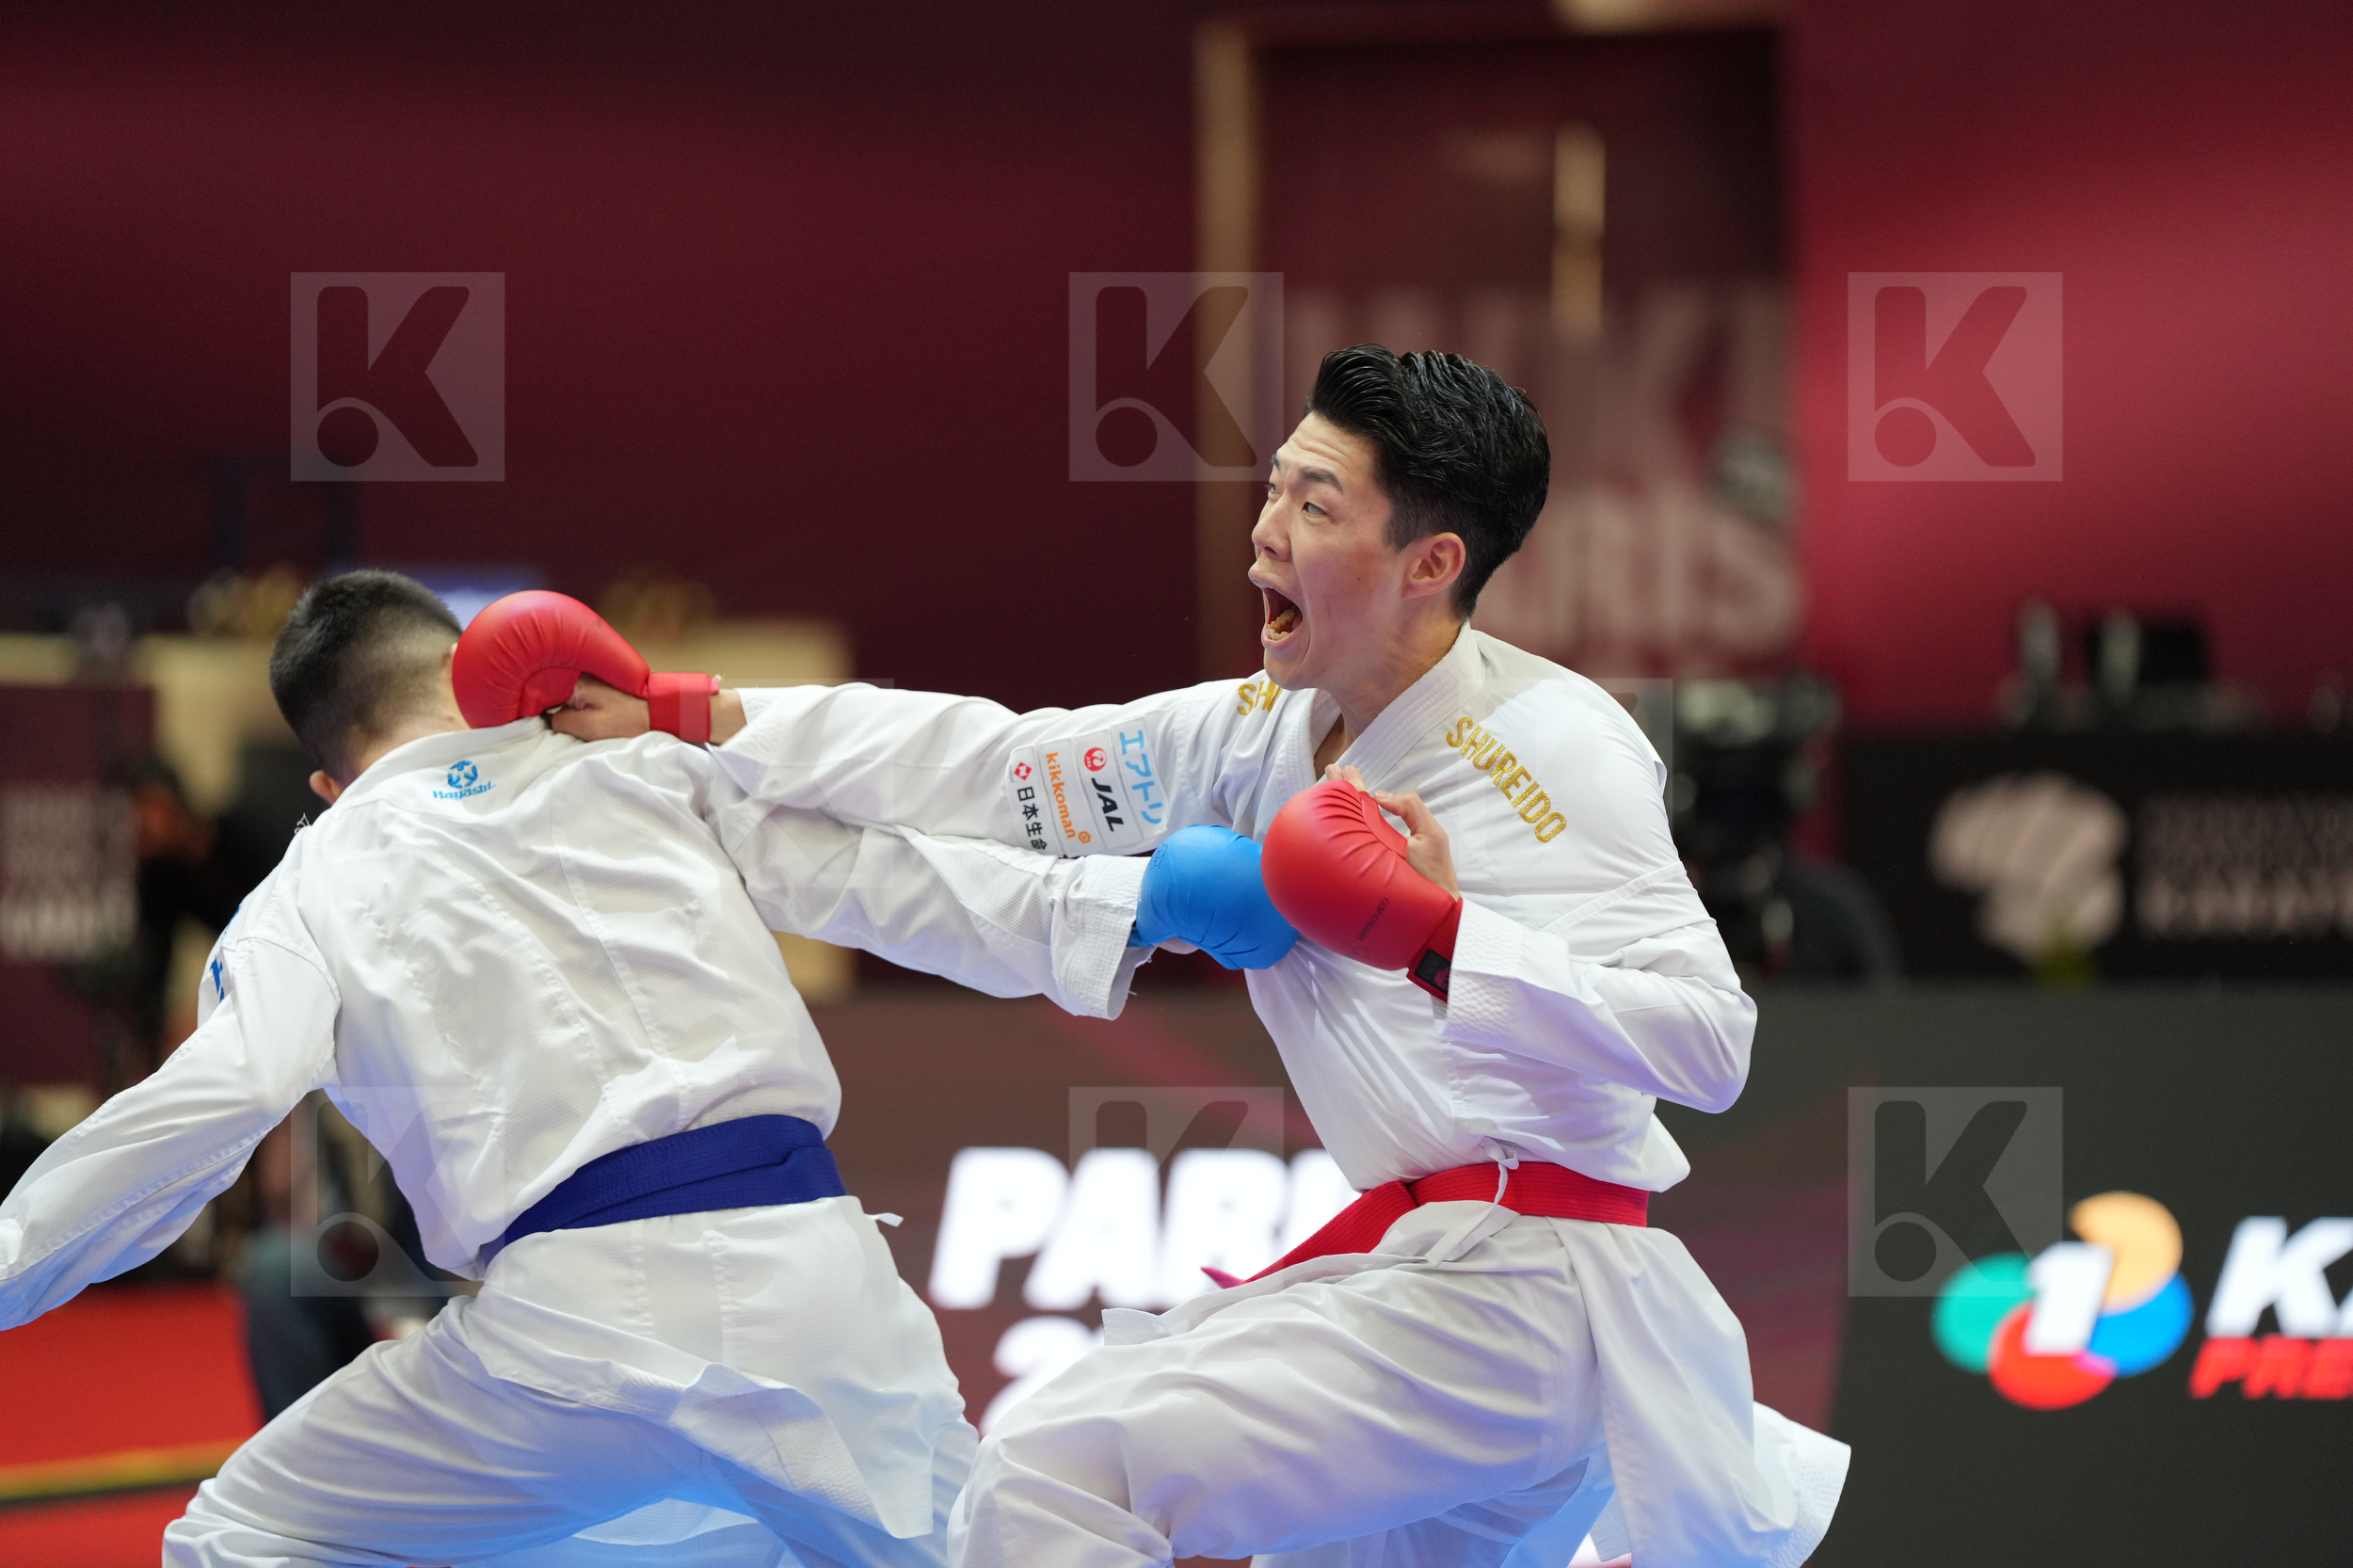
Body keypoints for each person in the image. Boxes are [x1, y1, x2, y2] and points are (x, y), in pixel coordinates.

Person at [558, 346, 1850, 1568]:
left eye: (1314, 504)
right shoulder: (1255, 731)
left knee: (1061, 1469)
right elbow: (1000, 769)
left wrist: (1446, 941)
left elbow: (1711, 1044)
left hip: (1531, 1288)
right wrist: (697, 714)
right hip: (1433, 1279)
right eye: (1273, 489)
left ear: (1431, 562)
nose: (1264, 533)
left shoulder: (1555, 742)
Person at [0, 570, 1273, 1568]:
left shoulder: (315, 874)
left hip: (564, 1339)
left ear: (327, 779)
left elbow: (217, 1101)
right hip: (813, 1280)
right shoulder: (641, 758)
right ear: (476, 668)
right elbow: (888, 883)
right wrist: (1135, 909)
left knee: (248, 1535)